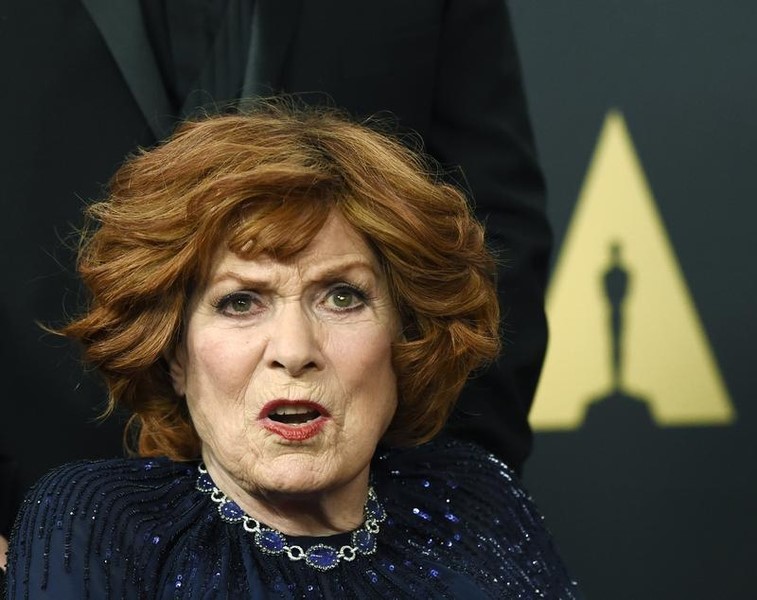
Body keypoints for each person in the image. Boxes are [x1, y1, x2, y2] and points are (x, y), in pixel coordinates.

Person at [5, 106, 577, 598]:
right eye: (240, 303)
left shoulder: (476, 499)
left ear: (404, 337)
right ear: (173, 353)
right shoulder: (96, 520)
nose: (294, 350)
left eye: (342, 297)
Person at [0, 1, 549, 501]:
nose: (290, 350)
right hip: (39, 492)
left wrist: (451, 498)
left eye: (341, 296)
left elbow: (489, 240)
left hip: (379, 500)